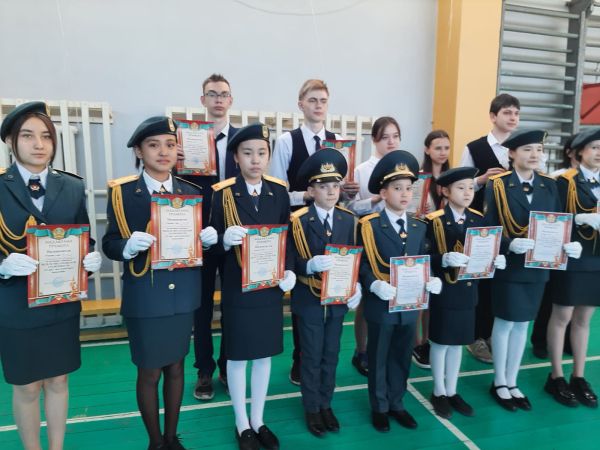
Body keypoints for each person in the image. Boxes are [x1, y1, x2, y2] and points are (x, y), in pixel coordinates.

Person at [103, 116, 218, 450]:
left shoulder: (190, 192)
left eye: (169, 144)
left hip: (183, 294)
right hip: (146, 295)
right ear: (139, 151)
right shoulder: (124, 192)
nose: (163, 152)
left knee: (177, 367)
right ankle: (155, 442)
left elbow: (194, 243)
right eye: (153, 145)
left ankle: (171, 437)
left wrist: (208, 241)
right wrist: (127, 247)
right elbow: (110, 242)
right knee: (150, 371)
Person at [0, 101, 102, 450]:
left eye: (46, 136)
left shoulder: (71, 187)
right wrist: (2, 265)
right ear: (11, 141)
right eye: (27, 136)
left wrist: (89, 258)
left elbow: (83, 235)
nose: (39, 144)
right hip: (16, 305)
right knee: (27, 386)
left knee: (59, 380)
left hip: (60, 302)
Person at [209, 123, 296, 450]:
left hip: (269, 286)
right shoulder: (222, 194)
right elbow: (208, 244)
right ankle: (241, 422)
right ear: (236, 157)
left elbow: (287, 237)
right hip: (237, 286)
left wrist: (289, 270)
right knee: (238, 355)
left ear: (269, 156)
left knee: (263, 355)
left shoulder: (278, 191)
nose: (255, 159)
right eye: (247, 153)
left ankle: (258, 419)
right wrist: (221, 239)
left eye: (261, 152)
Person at [483, 129, 582, 412]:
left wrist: (568, 244)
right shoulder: (498, 185)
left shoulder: (550, 185)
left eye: (539, 149)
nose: (535, 155)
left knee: (523, 324)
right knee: (504, 323)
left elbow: (559, 222)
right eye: (527, 149)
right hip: (510, 266)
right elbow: (489, 227)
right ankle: (498, 382)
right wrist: (508, 244)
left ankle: (512, 381)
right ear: (512, 153)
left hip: (539, 266)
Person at [269, 79, 358, 385]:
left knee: (331, 296)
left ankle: (324, 360)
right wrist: (305, 195)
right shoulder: (286, 141)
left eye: (323, 100)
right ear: (301, 104)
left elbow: (342, 194)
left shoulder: (339, 143)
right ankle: (301, 357)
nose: (318, 106)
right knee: (305, 296)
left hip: (332, 227)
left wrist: (348, 191)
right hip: (301, 227)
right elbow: (278, 191)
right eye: (312, 100)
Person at [358, 150, 442, 432]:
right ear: (383, 193)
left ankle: (397, 402)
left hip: (409, 304)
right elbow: (363, 263)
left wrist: (431, 279)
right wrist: (373, 283)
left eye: (409, 188)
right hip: (382, 304)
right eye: (397, 188)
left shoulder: (418, 226)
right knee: (379, 356)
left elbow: (422, 260)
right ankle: (380, 406)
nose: (405, 194)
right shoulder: (369, 226)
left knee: (402, 355)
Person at [288, 148, 362, 437]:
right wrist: (308, 265)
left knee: (331, 353)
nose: (331, 191)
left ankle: (325, 403)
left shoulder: (348, 220)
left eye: (335, 185)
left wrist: (356, 285)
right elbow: (289, 260)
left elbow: (356, 256)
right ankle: (311, 407)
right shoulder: (298, 220)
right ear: (310, 190)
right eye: (323, 185)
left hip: (337, 299)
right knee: (311, 354)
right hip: (309, 298)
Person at [176, 73, 239, 401]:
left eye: (223, 94)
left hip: (233, 234)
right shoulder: (185, 139)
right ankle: (204, 370)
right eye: (212, 94)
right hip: (198, 234)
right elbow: (176, 187)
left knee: (232, 304)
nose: (218, 99)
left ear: (231, 100)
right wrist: (176, 163)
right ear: (203, 100)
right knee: (200, 306)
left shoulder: (242, 139)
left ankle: (228, 365)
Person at [425, 167, 506, 418]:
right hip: (445, 290)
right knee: (441, 343)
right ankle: (438, 391)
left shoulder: (478, 219)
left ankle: (452, 390)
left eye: (471, 187)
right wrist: (442, 259)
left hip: (468, 291)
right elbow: (424, 256)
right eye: (461, 188)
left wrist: (495, 260)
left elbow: (485, 250)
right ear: (445, 191)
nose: (468, 192)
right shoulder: (435, 221)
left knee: (458, 343)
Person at [461, 93, 521, 365]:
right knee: (481, 283)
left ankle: (497, 335)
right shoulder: (474, 148)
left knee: (504, 283)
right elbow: (460, 186)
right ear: (493, 116)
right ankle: (476, 337)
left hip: (514, 230)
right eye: (507, 112)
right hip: (482, 226)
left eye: (516, 113)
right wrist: (481, 179)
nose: (513, 118)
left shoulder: (522, 148)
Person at [545, 128, 600, 408]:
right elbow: (551, 218)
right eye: (594, 147)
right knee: (562, 316)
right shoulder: (565, 181)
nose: (599, 153)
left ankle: (579, 376)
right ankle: (556, 376)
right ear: (579, 152)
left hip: (596, 258)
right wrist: (578, 220)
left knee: (584, 319)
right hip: (572, 256)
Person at [346, 116, 401, 377]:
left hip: (397, 238)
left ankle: (387, 348)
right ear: (375, 140)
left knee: (394, 293)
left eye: (395, 136)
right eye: (385, 137)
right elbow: (350, 207)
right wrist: (375, 200)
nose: (391, 142)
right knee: (368, 297)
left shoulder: (403, 166)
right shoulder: (361, 170)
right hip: (370, 237)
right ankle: (361, 350)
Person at [530, 134, 579, 359]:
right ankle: (541, 339)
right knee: (552, 295)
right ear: (570, 152)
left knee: (576, 297)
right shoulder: (558, 178)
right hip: (556, 243)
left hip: (583, 247)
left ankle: (569, 339)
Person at [412, 130, 452, 369]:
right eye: (438, 147)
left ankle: (427, 341)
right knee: (420, 294)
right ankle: (415, 342)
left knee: (435, 295)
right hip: (422, 239)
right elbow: (409, 208)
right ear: (427, 150)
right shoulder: (418, 178)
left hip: (444, 241)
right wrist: (420, 213)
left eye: (446, 147)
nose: (442, 152)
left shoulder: (452, 178)